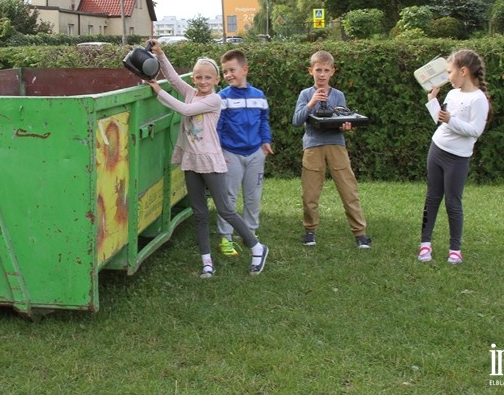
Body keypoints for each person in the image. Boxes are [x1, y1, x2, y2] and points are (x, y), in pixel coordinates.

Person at [145, 40, 269, 278]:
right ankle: (207, 262)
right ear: (194, 78)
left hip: (210, 161)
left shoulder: (214, 100)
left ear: (216, 81)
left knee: (225, 209)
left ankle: (256, 247)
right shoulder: (191, 92)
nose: (202, 82)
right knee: (199, 213)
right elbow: (173, 78)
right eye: (198, 77)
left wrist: (158, 92)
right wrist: (160, 54)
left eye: (208, 78)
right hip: (191, 161)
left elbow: (185, 111)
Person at [292, 50, 371, 249]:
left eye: (326, 70)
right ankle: (310, 231)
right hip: (312, 146)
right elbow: (296, 121)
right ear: (311, 71)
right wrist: (311, 103)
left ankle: (360, 234)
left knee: (349, 190)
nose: (322, 74)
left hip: (336, 145)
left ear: (332, 72)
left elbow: (342, 119)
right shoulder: (305, 94)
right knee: (310, 194)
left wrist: (345, 126)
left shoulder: (338, 95)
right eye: (318, 70)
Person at [418, 49, 490, 264]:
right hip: (437, 149)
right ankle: (425, 244)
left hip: (458, 158)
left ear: (464, 71)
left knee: (453, 202)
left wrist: (450, 120)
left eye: (449, 72)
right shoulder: (452, 94)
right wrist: (432, 101)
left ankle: (455, 249)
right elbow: (441, 121)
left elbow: (475, 130)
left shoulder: (478, 99)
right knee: (432, 198)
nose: (447, 77)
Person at [215, 49, 273, 258]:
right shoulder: (222, 97)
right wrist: (219, 151)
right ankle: (226, 237)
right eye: (225, 72)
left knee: (253, 196)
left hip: (255, 154)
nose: (228, 75)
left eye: (232, 70)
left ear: (245, 69)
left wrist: (265, 142)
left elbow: (264, 121)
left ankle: (250, 233)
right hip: (230, 154)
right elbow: (217, 127)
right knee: (228, 196)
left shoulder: (259, 96)